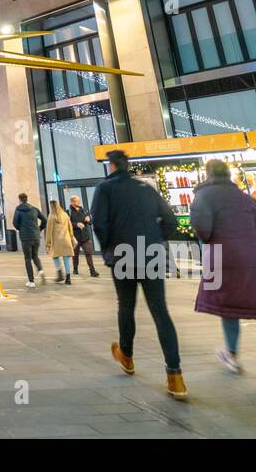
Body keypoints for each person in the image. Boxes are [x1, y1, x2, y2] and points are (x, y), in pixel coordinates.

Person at [191, 160, 256, 390]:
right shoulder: (245, 198)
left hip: (222, 258)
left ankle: (231, 354)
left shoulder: (203, 196)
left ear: (207, 175)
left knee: (227, 306)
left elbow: (203, 230)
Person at [91, 150, 186, 401]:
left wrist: (109, 247)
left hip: (122, 255)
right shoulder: (146, 189)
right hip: (151, 253)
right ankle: (175, 376)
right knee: (160, 311)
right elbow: (171, 221)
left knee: (126, 305)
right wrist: (155, 240)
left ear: (111, 166)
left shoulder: (105, 189)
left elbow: (99, 223)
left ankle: (127, 357)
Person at [11, 194, 46, 287]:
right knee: (35, 256)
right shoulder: (34, 209)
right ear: (27, 199)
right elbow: (44, 220)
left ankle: (31, 281)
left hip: (26, 238)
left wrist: (21, 229)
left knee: (27, 258)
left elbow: (15, 223)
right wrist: (39, 229)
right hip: (36, 236)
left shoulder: (18, 210)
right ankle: (41, 271)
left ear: (20, 200)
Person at [68, 195, 100, 277]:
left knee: (88, 253)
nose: (78, 203)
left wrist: (89, 220)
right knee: (75, 255)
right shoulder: (68, 212)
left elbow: (90, 222)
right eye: (76, 201)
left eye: (78, 201)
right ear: (71, 202)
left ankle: (92, 271)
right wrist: (76, 224)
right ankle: (75, 269)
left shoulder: (84, 211)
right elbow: (67, 224)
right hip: (75, 237)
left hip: (85, 237)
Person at [45, 199, 76, 285]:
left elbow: (49, 231)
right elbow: (70, 228)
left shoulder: (51, 216)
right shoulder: (65, 215)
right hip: (66, 240)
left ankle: (59, 273)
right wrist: (71, 236)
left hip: (57, 242)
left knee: (55, 256)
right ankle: (68, 278)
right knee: (66, 259)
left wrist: (47, 244)